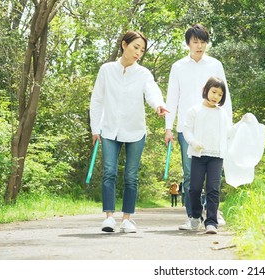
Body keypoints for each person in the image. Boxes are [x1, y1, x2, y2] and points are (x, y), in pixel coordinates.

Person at [90, 31, 168, 233]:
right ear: (124, 45)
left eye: (142, 50)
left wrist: (158, 105)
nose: (138, 53)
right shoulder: (106, 70)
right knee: (109, 172)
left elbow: (152, 91)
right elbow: (97, 100)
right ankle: (109, 218)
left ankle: (127, 219)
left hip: (135, 130)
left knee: (131, 176)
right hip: (108, 129)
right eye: (135, 47)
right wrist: (95, 128)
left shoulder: (143, 73)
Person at [165, 24, 232, 230]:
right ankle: (193, 217)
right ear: (188, 43)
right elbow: (172, 97)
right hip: (188, 128)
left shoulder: (215, 64)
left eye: (203, 42)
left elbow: (226, 97)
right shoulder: (178, 67)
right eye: (195, 41)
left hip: (214, 127)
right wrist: (168, 127)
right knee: (190, 175)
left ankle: (212, 214)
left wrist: (229, 126)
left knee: (213, 174)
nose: (199, 46)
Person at [183, 77, 231, 234]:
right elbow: (187, 130)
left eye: (220, 94)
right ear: (206, 90)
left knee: (212, 189)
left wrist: (244, 124)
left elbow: (228, 133)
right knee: (194, 189)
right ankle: (195, 217)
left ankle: (211, 222)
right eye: (214, 92)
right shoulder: (195, 111)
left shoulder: (222, 113)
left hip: (216, 156)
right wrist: (193, 142)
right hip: (198, 155)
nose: (215, 96)